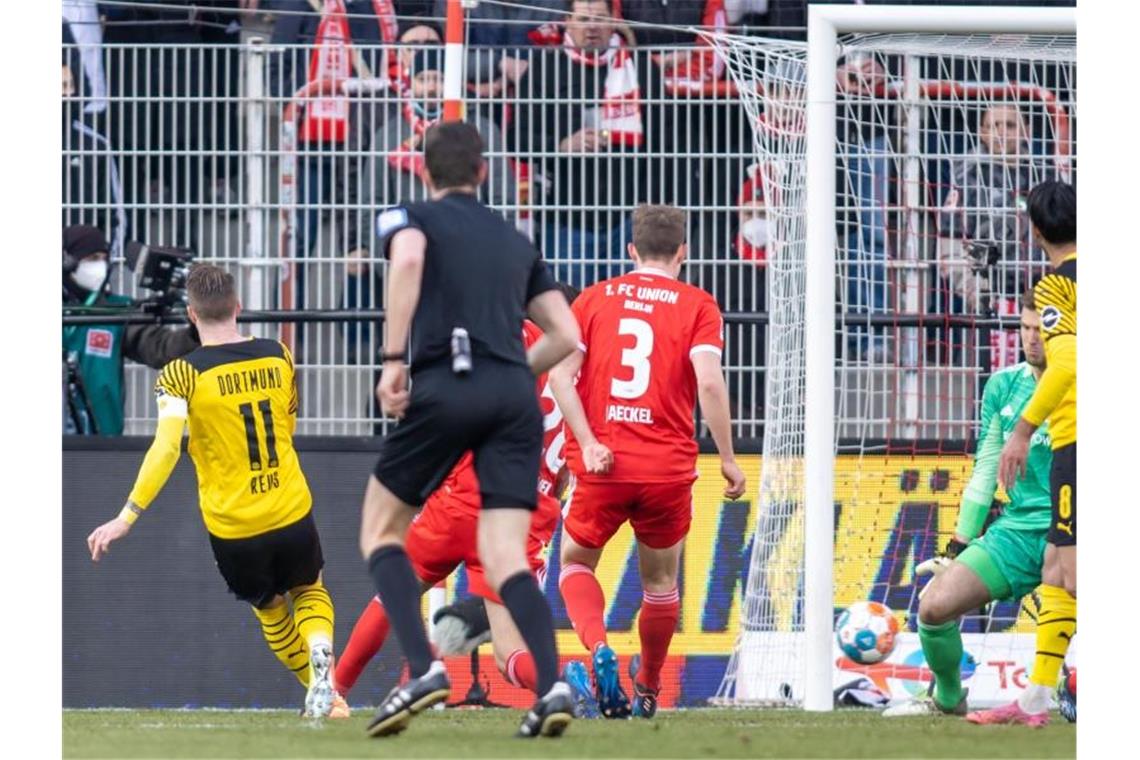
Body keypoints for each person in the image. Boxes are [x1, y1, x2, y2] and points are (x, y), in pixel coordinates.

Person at [359, 121, 581, 739]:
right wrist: (511, 374)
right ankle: (553, 686)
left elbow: (407, 259)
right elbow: (566, 334)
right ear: (484, 173)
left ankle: (427, 668)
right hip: (512, 399)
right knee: (506, 556)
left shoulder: (409, 217)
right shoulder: (516, 239)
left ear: (423, 171)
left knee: (380, 531)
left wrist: (393, 360)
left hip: (446, 384)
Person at [84, 264, 345, 719]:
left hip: (234, 525)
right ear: (237, 306)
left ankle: (324, 693)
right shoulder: (278, 355)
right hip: (290, 507)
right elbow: (288, 423)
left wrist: (127, 516)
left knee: (271, 612)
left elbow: (167, 448)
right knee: (309, 590)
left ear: (191, 314)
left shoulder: (179, 375)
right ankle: (321, 653)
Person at [548, 204, 747, 719]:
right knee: (660, 584)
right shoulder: (699, 305)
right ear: (683, 252)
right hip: (666, 469)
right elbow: (709, 383)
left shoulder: (594, 299)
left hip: (604, 464)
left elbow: (560, 378)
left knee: (575, 563)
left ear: (631, 250)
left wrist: (588, 441)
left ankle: (598, 648)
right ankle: (649, 686)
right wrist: (727, 458)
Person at [335, 309, 582, 711]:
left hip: (463, 501)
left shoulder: (483, 334)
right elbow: (564, 463)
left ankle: (334, 692)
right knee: (508, 654)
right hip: (521, 514)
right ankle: (561, 683)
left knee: (393, 593)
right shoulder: (562, 351)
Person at [881, 289, 1051, 718]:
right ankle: (948, 698)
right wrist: (958, 546)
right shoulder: (1003, 386)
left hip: (1072, 530)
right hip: (1017, 531)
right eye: (1025, 328)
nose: (1032, 338)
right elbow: (986, 468)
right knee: (934, 607)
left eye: (1040, 329)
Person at [971, 179, 1077, 727]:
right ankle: (1036, 698)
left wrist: (1023, 429)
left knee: (1075, 574)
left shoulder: (1057, 285)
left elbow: (1067, 364)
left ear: (1035, 231)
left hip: (1077, 439)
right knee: (1056, 568)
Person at [514, 0, 679, 288]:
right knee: (570, 306)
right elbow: (516, 137)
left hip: (629, 218)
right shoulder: (545, 67)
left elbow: (665, 144)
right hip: (565, 216)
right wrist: (560, 146)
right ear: (567, 21)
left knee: (626, 304)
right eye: (583, 19)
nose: (592, 27)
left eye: (600, 18)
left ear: (614, 20)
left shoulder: (640, 67)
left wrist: (650, 209)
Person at [938, 104, 1047, 370]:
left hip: (1040, 302)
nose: (1001, 132)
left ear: (1026, 131)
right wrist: (977, 293)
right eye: (993, 125)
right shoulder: (966, 177)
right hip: (988, 301)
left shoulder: (1044, 175)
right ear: (981, 132)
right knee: (991, 388)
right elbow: (949, 246)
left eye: (1009, 125)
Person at [62, 225, 199, 435]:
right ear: (67, 262)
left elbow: (162, 348)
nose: (99, 265)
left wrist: (197, 330)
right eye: (92, 259)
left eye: (103, 258)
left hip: (101, 442)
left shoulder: (117, 311)